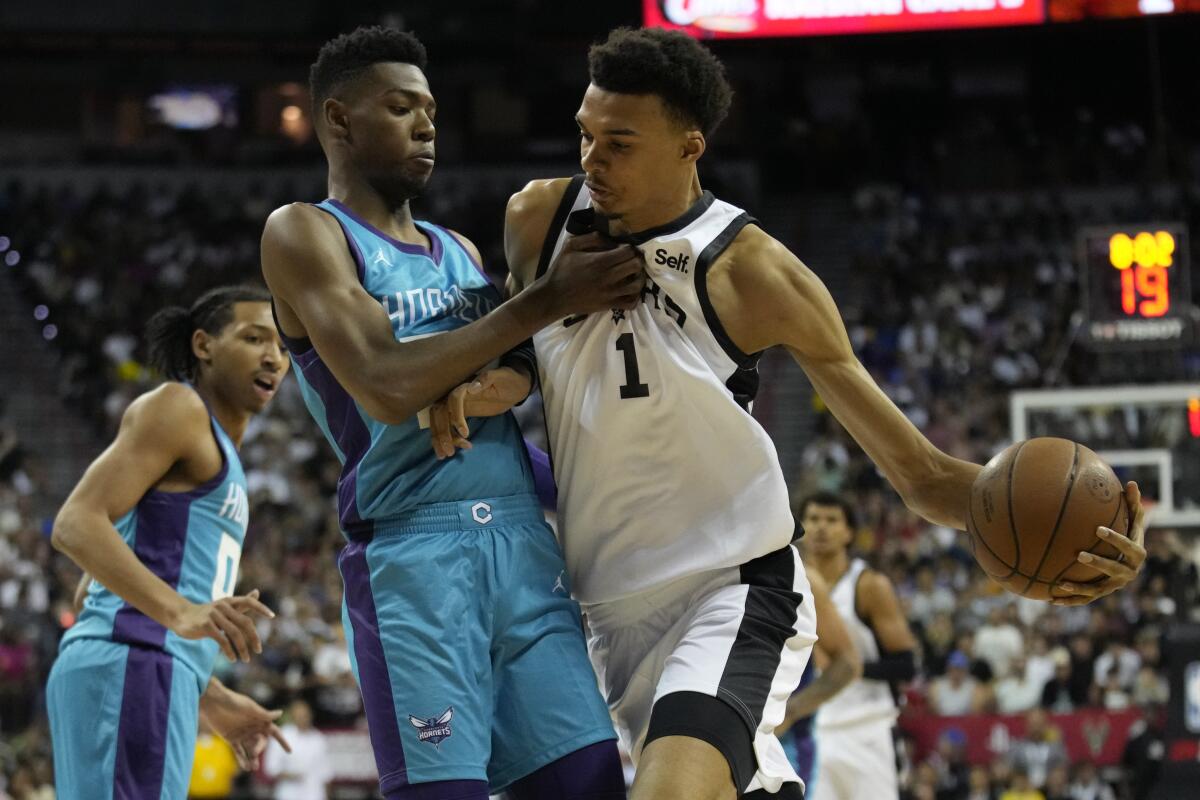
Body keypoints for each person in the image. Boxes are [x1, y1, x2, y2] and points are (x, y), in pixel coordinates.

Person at [430, 26, 1148, 800]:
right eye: (584, 134)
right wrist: (475, 388)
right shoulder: (537, 219)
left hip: (732, 586)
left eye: (620, 143)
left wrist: (1072, 542)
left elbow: (921, 475)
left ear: (689, 145)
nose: (592, 160)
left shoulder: (755, 272)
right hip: (602, 602)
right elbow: (527, 362)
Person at [260, 26, 637, 800]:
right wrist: (546, 300)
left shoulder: (459, 249)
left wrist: (470, 389)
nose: (427, 125)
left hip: (522, 545)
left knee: (592, 781)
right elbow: (387, 385)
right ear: (338, 120)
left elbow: (521, 369)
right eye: (401, 108)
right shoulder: (305, 233)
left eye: (430, 109)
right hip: (414, 558)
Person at [46, 286, 291, 799]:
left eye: (285, 346)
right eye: (255, 338)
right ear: (204, 345)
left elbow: (93, 587)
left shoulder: (220, 457)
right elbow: (75, 523)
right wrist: (182, 614)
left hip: (147, 670)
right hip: (134, 667)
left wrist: (211, 693)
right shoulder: (180, 408)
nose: (275, 356)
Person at [798, 493, 918, 799]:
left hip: (868, 728)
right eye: (813, 519)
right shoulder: (795, 585)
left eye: (831, 520)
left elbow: (906, 664)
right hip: (817, 728)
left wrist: (844, 667)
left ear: (849, 532)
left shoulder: (868, 585)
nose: (821, 528)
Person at [775, 566, 863, 789]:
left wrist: (791, 711)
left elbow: (847, 664)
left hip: (784, 744)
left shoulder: (801, 576)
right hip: (717, 730)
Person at [264, 699, 334, 800]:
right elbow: (271, 768)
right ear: (292, 716)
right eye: (299, 715)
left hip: (315, 795)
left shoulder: (319, 739)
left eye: (305, 715)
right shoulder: (281, 736)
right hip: (288, 795)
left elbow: (326, 774)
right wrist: (293, 775)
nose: (303, 718)